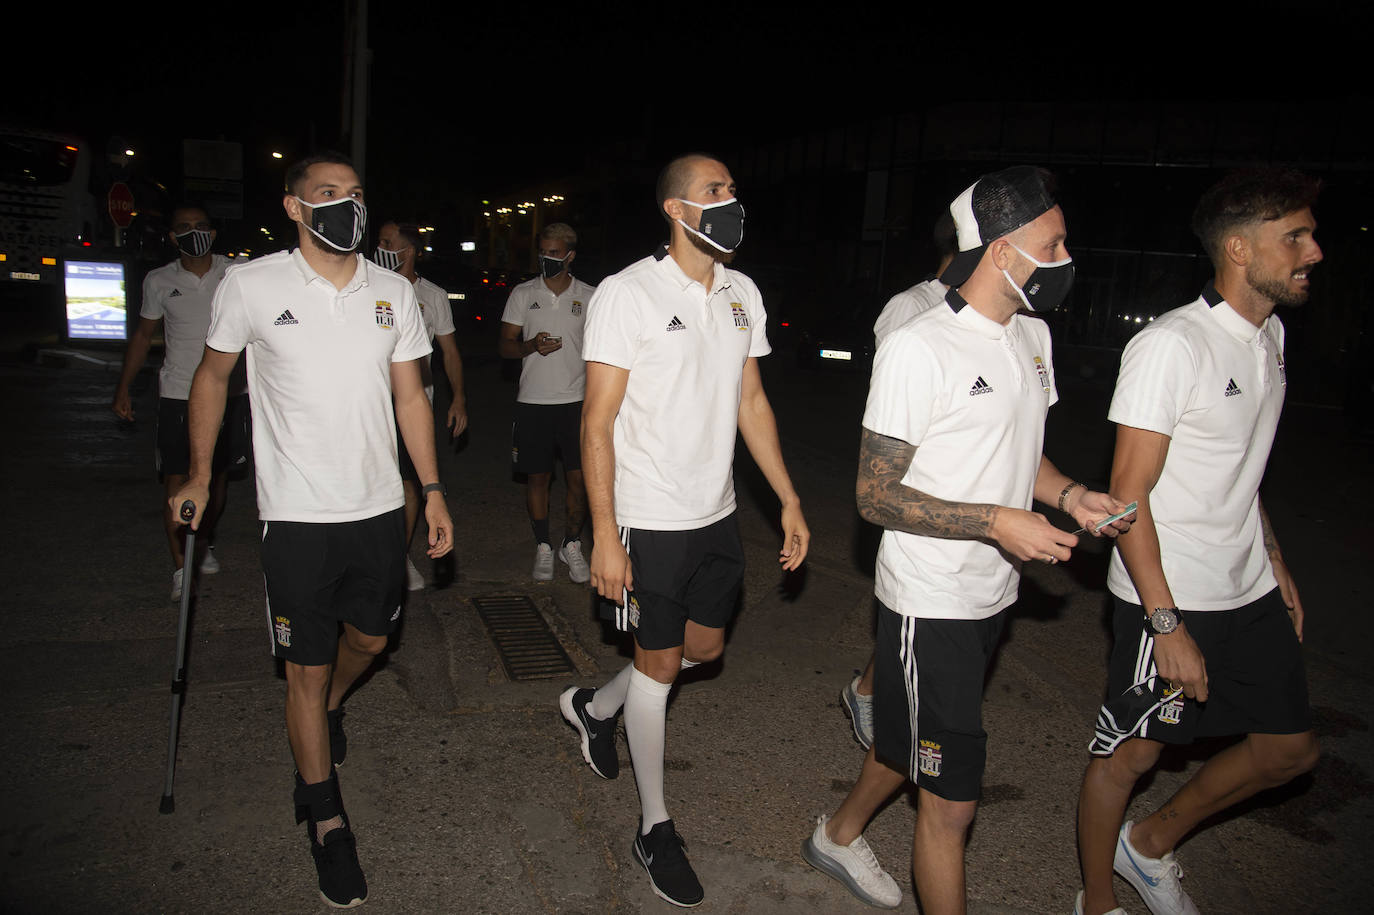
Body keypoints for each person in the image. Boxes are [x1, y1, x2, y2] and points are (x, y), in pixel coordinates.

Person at [800, 166, 1131, 914]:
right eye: (1053, 243)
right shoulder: (921, 347)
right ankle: (848, 836)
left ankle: (839, 833)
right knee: (952, 802)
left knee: (915, 737)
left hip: (992, 594)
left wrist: (1073, 494)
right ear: (1003, 251)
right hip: (931, 598)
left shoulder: (1034, 336)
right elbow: (875, 493)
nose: (1066, 257)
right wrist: (995, 519)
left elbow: (1023, 453)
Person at [171, 152, 454, 909]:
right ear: (294, 207)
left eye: (356, 194)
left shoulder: (394, 291)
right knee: (304, 663)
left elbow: (412, 399)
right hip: (295, 515)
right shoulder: (252, 284)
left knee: (370, 640)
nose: (346, 206)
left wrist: (430, 489)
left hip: (376, 509)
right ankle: (325, 814)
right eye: (328, 195)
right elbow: (211, 376)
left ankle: (329, 706)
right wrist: (200, 473)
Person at [558, 153, 809, 907]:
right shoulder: (628, 294)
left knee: (704, 651)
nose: (732, 198)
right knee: (661, 667)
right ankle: (654, 826)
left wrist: (789, 499)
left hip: (718, 512)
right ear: (676, 209)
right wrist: (605, 532)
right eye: (715, 190)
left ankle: (596, 708)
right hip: (649, 517)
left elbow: (752, 402)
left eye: (733, 187)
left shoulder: (742, 292)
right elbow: (595, 421)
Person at [1073, 169, 1323, 915]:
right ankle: (1094, 900)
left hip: (1245, 584)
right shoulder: (1172, 346)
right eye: (1297, 238)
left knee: (1290, 749)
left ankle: (1147, 845)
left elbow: (1240, 470)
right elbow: (1127, 497)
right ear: (1240, 250)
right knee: (1133, 754)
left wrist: (1274, 559)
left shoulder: (1270, 333)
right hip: (1170, 590)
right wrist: (1165, 622)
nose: (1315, 251)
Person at [843, 207, 959, 750]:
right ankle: (870, 693)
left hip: (970, 489)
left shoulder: (1014, 320)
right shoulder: (912, 307)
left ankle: (874, 692)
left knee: (929, 624)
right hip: (915, 488)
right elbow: (888, 404)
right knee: (911, 607)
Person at [112, 204, 249, 601]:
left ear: (214, 232)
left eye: (202, 226)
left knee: (216, 480)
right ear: (172, 237)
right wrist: (123, 387)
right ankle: (181, 568)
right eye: (185, 228)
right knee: (177, 479)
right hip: (178, 393)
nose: (195, 233)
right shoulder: (158, 281)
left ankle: (202, 538)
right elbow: (142, 337)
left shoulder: (235, 274)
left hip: (230, 393)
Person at [498, 223, 596, 582]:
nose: (546, 259)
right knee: (537, 478)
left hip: (577, 403)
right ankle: (543, 545)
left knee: (580, 480)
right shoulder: (524, 293)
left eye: (554, 253)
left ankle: (570, 545)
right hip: (533, 402)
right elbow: (505, 345)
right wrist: (530, 345)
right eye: (543, 252)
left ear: (570, 255)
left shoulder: (590, 295)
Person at [375, 220, 468, 590]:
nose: (379, 247)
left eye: (387, 242)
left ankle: (397, 557)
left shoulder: (433, 296)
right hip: (369, 408)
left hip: (413, 407)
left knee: (410, 486)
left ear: (409, 251)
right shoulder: (366, 287)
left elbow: (449, 352)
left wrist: (458, 397)